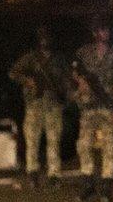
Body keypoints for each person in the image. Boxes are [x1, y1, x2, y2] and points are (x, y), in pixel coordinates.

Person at [73, 16, 113, 202]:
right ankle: (87, 182)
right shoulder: (84, 53)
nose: (103, 33)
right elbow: (75, 73)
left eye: (105, 30)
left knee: (110, 148)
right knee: (84, 145)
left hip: (107, 107)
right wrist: (81, 84)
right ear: (93, 32)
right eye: (99, 30)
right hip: (88, 107)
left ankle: (106, 186)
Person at [9, 27, 69, 189]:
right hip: (34, 105)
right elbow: (13, 73)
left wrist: (66, 97)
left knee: (54, 141)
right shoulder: (31, 58)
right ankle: (33, 173)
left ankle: (54, 175)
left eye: (48, 37)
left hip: (53, 105)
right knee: (32, 141)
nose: (45, 41)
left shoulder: (59, 60)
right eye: (43, 37)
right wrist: (29, 81)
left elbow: (66, 81)